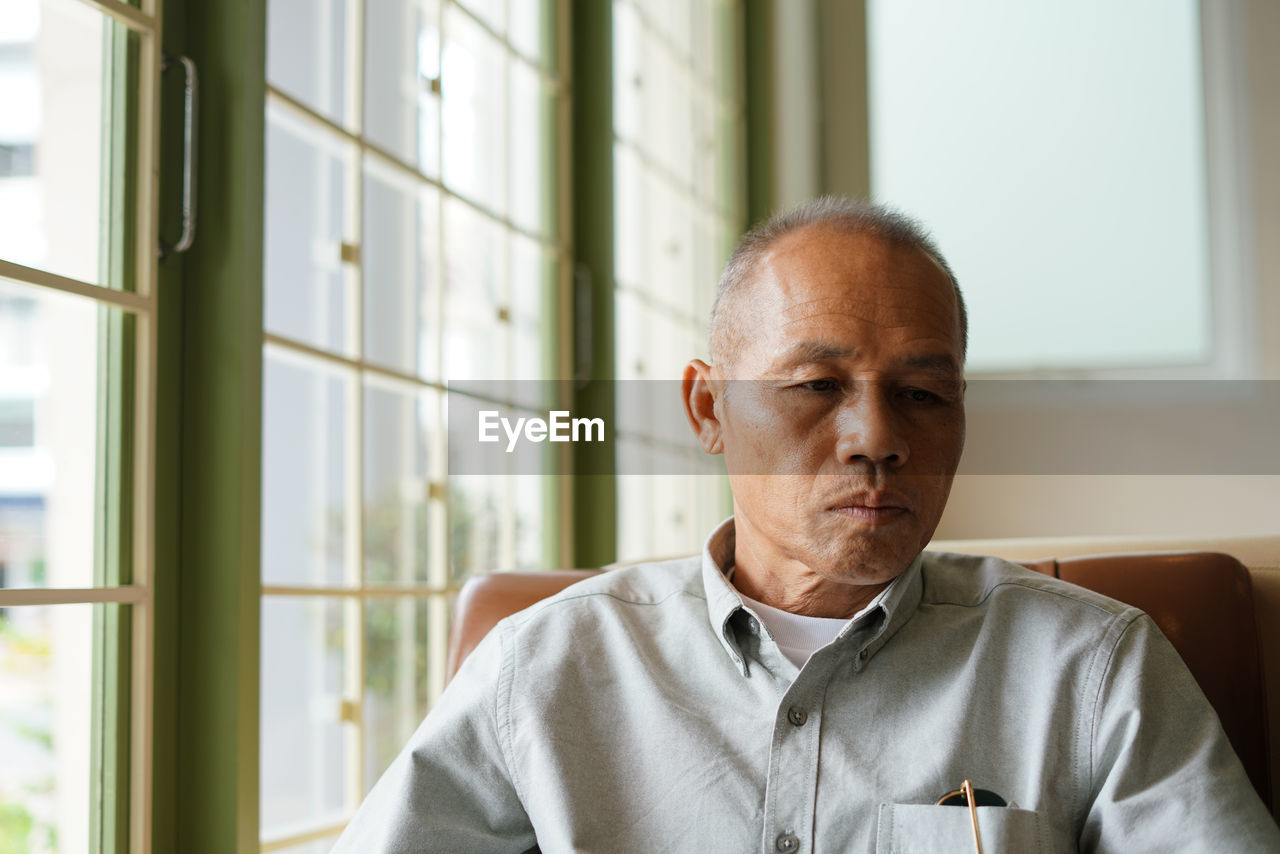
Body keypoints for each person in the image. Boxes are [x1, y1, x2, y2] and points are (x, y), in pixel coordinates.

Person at [332, 198, 1280, 852]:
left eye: (920, 393)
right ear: (707, 411)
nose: (877, 438)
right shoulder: (543, 670)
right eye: (816, 387)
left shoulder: (1093, 669)